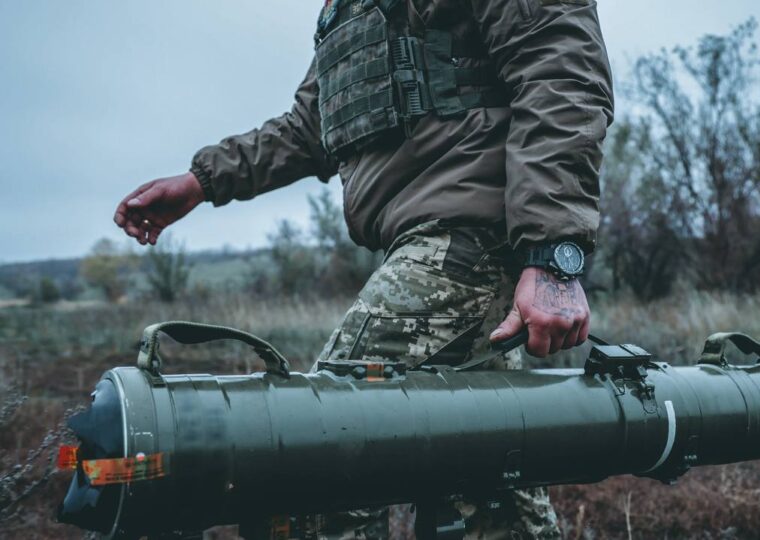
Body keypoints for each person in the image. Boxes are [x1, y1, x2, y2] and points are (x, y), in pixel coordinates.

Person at [113, 0, 614, 537]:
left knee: (319, 439)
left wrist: (553, 256)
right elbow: (313, 125)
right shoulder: (346, 10)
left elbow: (561, 69)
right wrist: (202, 181)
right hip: (425, 243)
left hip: (465, 242)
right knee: (486, 470)